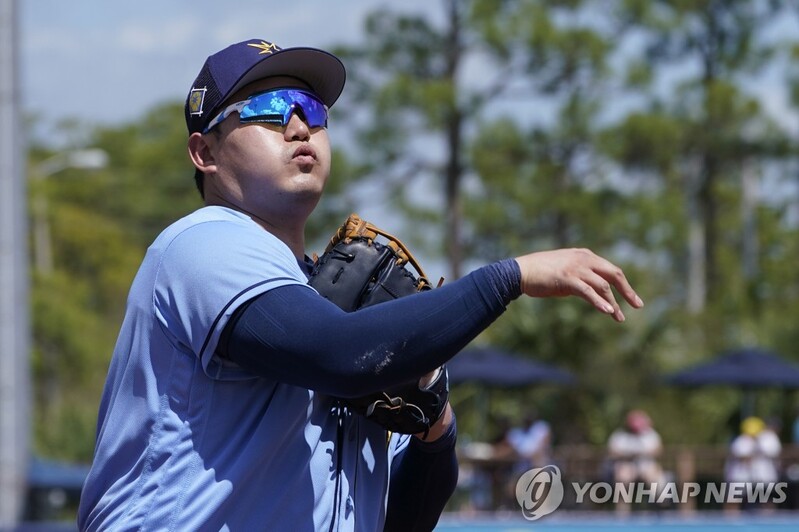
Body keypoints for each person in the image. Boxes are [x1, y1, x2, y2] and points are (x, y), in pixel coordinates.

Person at [76, 38, 644, 531]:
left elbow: (404, 519)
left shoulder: (323, 301)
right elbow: (340, 355)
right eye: (270, 109)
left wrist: (433, 422)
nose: (299, 125)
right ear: (205, 152)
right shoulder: (202, 243)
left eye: (312, 109)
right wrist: (507, 277)